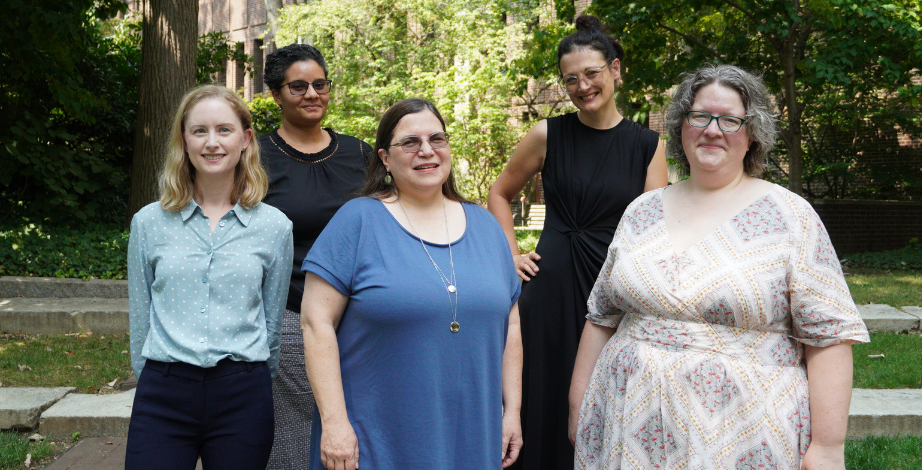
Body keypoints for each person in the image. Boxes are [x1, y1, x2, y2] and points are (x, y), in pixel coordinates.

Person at [569, 65, 870, 469]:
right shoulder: (641, 211)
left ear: (752, 133)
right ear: (681, 125)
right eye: (700, 116)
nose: (713, 130)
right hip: (628, 424)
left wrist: (829, 446)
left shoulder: (790, 217)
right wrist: (581, 404)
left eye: (730, 120)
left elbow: (829, 336)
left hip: (743, 432)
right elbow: (601, 316)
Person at [300, 98, 523, 470]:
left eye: (437, 139)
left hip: (472, 431)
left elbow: (511, 325)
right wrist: (335, 423)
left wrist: (511, 410)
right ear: (385, 158)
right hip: (375, 437)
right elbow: (315, 323)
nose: (426, 151)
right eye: (410, 142)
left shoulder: (485, 226)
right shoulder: (358, 221)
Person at [486, 15, 668, 470]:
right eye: (571, 79)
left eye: (591, 73)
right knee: (540, 397)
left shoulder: (648, 145)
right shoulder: (549, 133)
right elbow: (499, 193)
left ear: (615, 70)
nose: (583, 86)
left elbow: (652, 233)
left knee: (598, 400)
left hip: (610, 294)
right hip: (546, 291)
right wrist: (509, 253)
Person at [126, 85, 294, 470]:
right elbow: (140, 317)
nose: (212, 142)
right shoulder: (149, 223)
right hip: (163, 393)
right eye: (199, 130)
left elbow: (270, 323)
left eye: (224, 130)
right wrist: (153, 378)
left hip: (242, 396)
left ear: (245, 139)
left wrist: (249, 380)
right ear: (183, 141)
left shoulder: (274, 228)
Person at [259, 43, 371, 470]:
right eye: (298, 86)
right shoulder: (257, 158)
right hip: (290, 314)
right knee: (296, 437)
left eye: (319, 84)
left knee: (356, 430)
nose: (311, 94)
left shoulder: (360, 155)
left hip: (361, 315)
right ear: (276, 94)